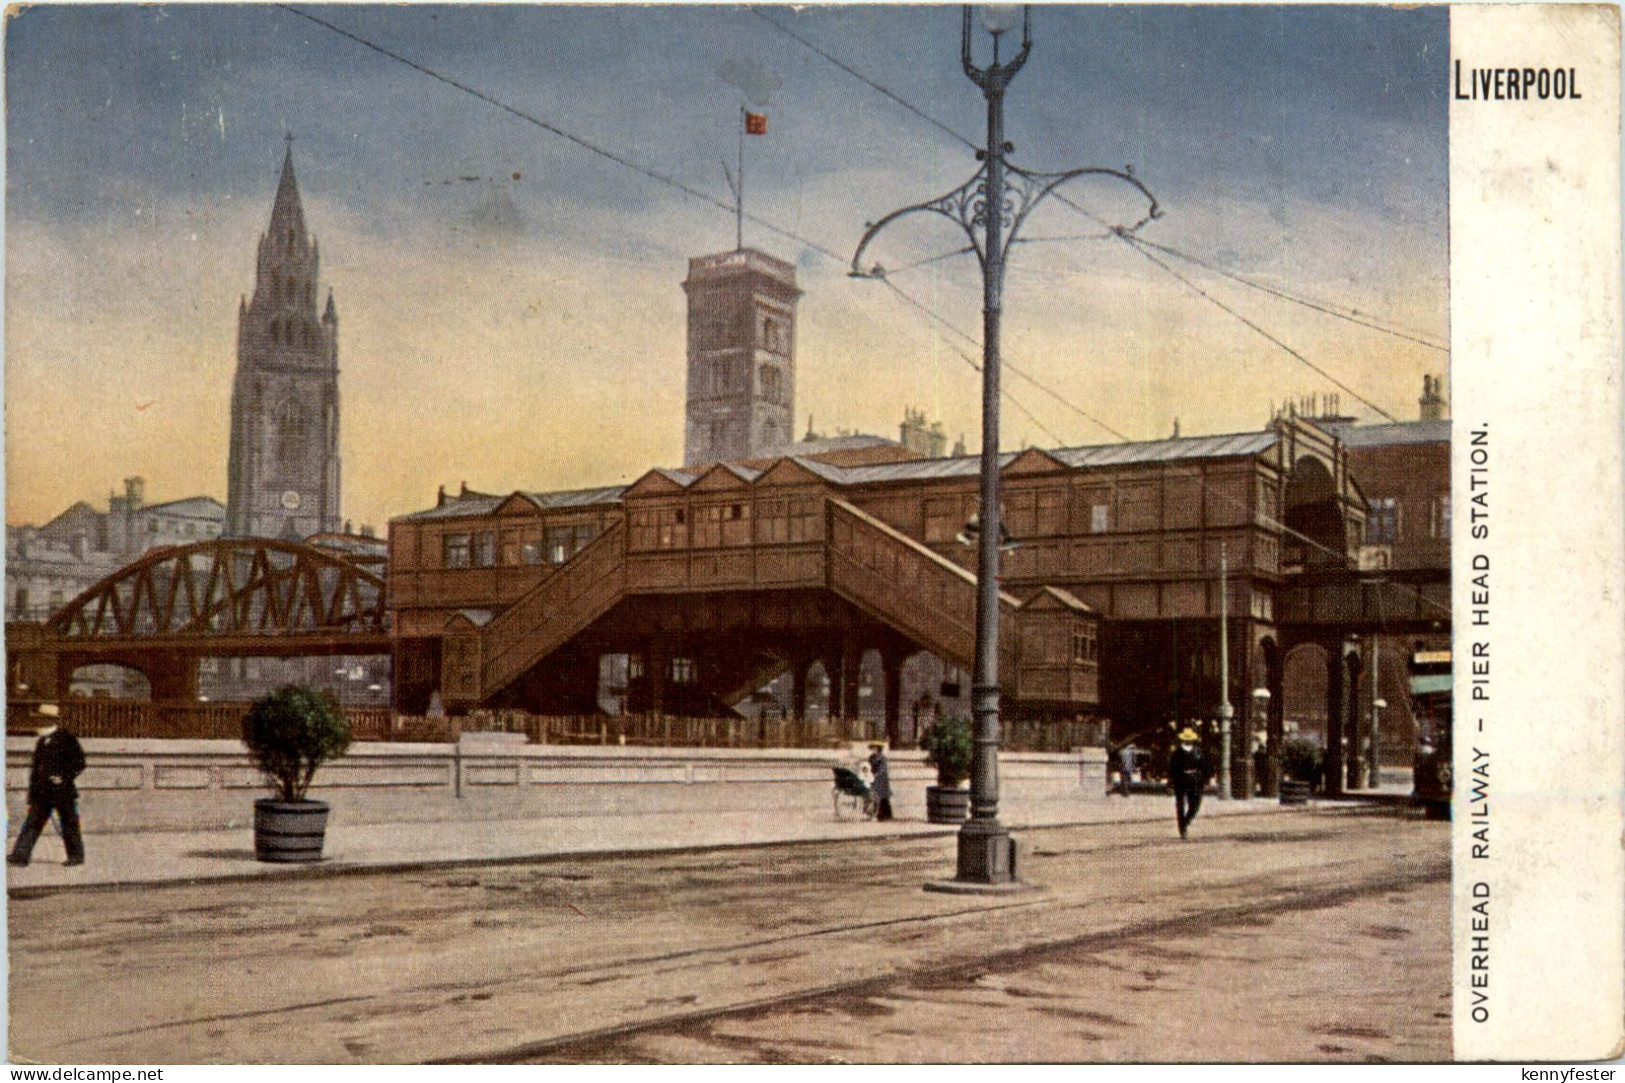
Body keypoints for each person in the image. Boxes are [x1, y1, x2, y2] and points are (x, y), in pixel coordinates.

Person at [9, 704, 86, 867]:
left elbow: (80, 762)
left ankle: (76, 856)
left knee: (69, 823)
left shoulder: (66, 738)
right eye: (38, 719)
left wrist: (63, 777)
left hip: (62, 791)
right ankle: (21, 855)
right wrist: (32, 794)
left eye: (42, 719)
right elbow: (36, 771)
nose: (39, 722)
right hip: (42, 792)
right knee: (32, 822)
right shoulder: (42, 741)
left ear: (51, 720)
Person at [1168, 727, 1210, 840]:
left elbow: (1205, 767)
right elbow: (1172, 769)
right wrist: (1170, 784)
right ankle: (1182, 828)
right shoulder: (1177, 753)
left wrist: (1205, 780)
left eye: (1189, 739)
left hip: (1195, 781)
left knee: (1195, 804)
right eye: (1186, 739)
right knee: (1180, 805)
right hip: (1180, 780)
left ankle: (1186, 821)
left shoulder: (1198, 752)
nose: (1188, 741)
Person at [867, 741, 893, 822]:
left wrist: (877, 774)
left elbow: (883, 768)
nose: (874, 750)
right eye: (873, 748)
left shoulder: (883, 758)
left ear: (879, 749)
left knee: (883, 797)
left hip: (882, 779)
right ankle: (879, 814)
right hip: (873, 778)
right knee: (876, 796)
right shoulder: (871, 757)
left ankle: (885, 815)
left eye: (875, 748)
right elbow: (868, 766)